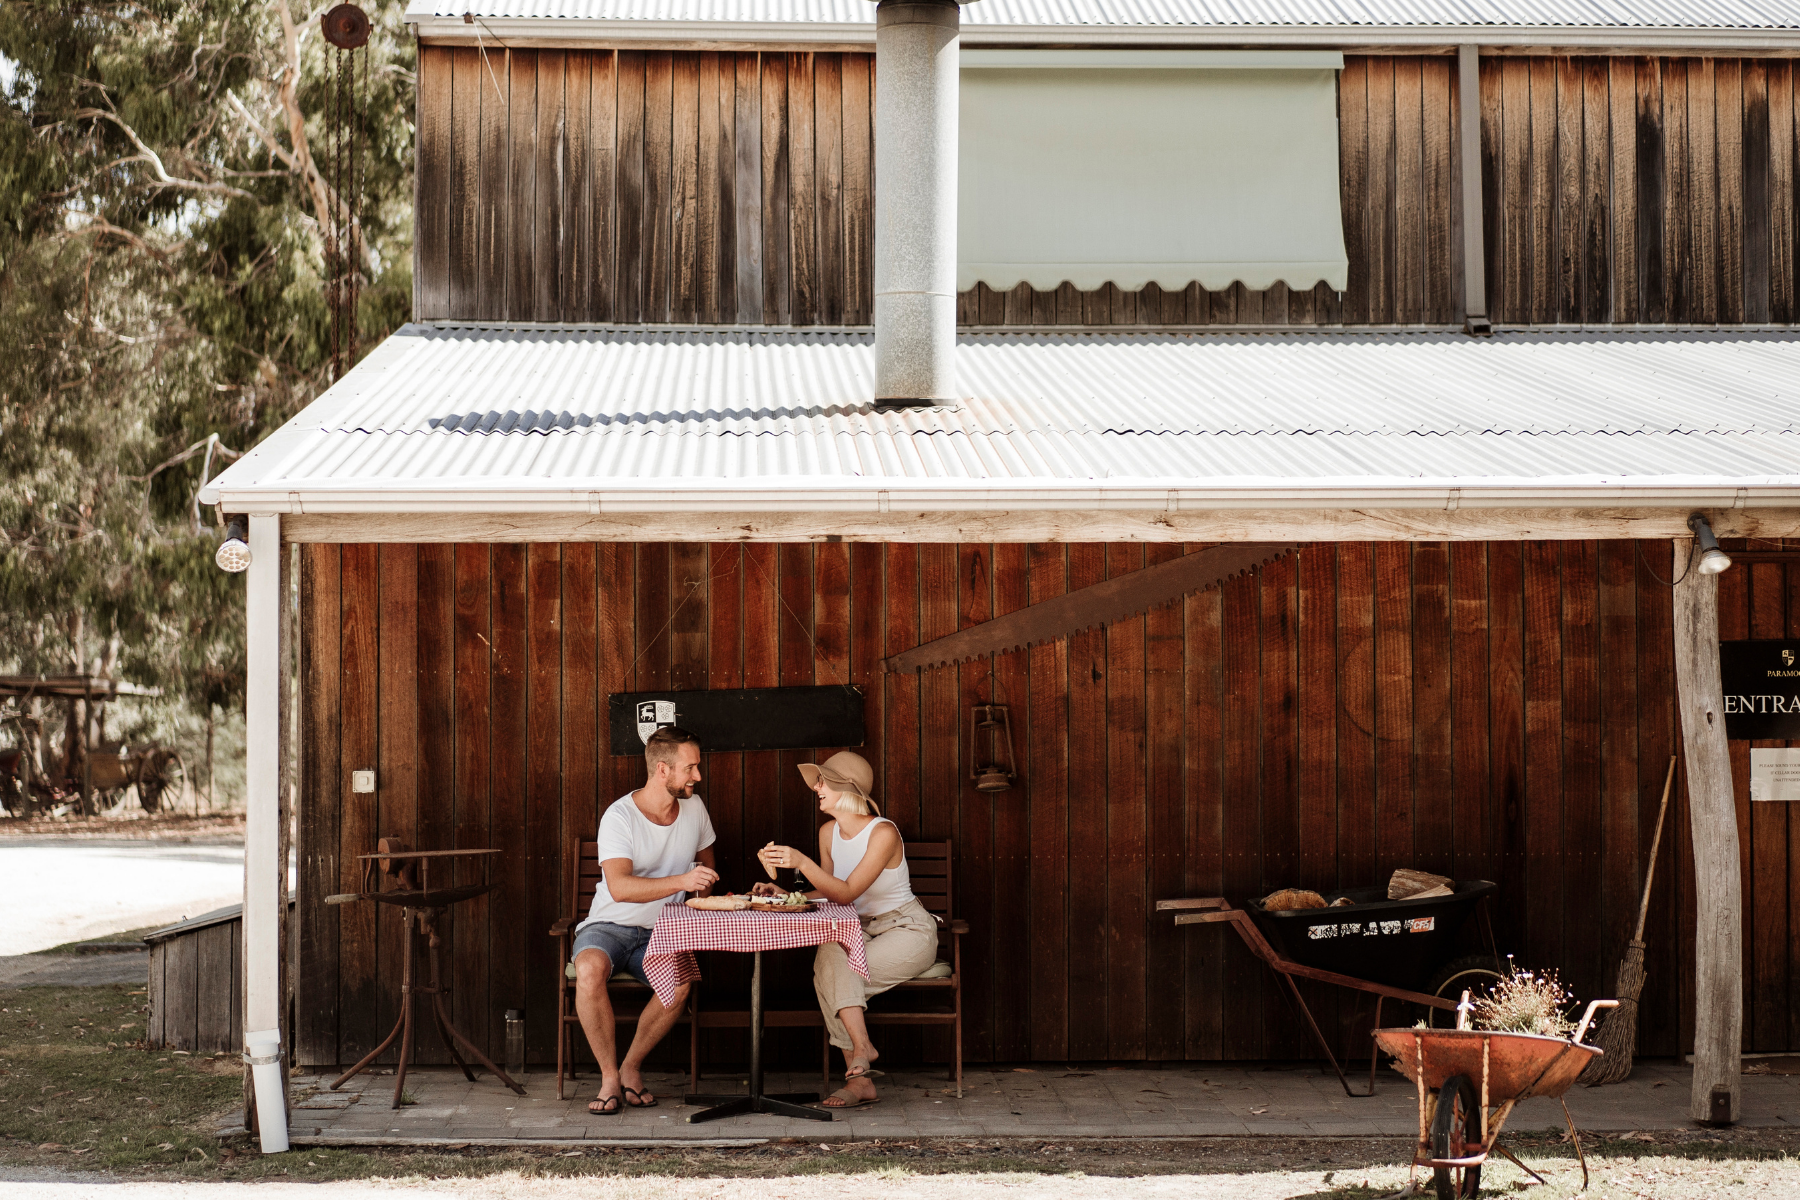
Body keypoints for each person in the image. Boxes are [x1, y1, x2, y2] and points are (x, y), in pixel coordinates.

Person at [757, 750, 937, 1110]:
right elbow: (830, 890)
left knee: (834, 974)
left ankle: (859, 1074)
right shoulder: (828, 832)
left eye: (824, 781)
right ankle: (861, 1055)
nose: (816, 787)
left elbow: (848, 892)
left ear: (848, 787)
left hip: (907, 930)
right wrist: (785, 895)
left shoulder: (883, 832)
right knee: (830, 956)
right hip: (858, 929)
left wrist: (801, 861)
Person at [571, 725, 719, 1115]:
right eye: (690, 768)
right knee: (588, 969)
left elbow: (706, 872)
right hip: (609, 926)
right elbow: (619, 887)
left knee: (682, 981)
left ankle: (630, 1068)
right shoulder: (620, 816)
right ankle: (609, 1079)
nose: (698, 776)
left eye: (697, 767)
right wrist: (682, 881)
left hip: (664, 930)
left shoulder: (695, 808)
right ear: (662, 770)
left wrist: (697, 905)